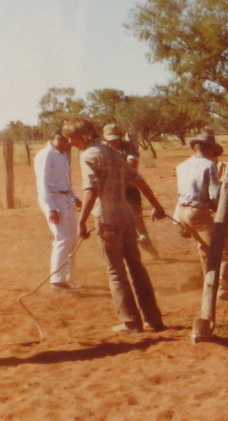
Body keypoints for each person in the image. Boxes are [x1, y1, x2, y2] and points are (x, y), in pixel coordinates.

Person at [62, 117, 166, 334]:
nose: (69, 143)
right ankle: (153, 319)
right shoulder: (114, 153)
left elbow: (91, 190)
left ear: (82, 136)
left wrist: (82, 222)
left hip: (108, 218)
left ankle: (130, 322)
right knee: (137, 266)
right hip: (127, 216)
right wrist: (157, 205)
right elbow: (138, 179)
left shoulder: (88, 155)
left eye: (71, 138)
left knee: (115, 271)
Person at [175, 133, 228, 300]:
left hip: (182, 211)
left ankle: (209, 286)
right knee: (225, 253)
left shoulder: (181, 165)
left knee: (204, 249)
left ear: (195, 147)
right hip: (197, 212)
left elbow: (179, 193)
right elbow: (215, 195)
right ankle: (223, 289)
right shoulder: (209, 165)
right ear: (210, 149)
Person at [34, 127, 82, 291]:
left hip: (65, 198)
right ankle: (57, 281)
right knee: (62, 238)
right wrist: (50, 208)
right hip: (53, 199)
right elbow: (42, 183)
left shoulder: (62, 155)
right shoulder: (46, 154)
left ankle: (68, 278)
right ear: (58, 138)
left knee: (72, 239)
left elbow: (65, 182)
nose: (70, 143)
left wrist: (75, 198)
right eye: (67, 139)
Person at [103, 124, 159, 258]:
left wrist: (112, 171)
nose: (113, 142)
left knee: (137, 221)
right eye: (110, 139)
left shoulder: (128, 147)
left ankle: (152, 253)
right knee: (113, 224)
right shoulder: (102, 148)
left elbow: (132, 166)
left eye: (115, 138)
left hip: (129, 190)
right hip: (110, 193)